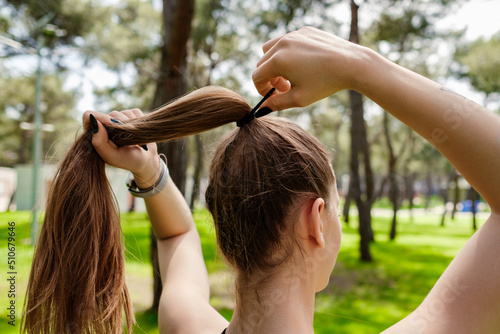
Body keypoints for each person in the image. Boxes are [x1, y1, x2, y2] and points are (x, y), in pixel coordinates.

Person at [86, 27, 500, 333]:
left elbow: (176, 237)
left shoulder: (184, 322)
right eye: (334, 206)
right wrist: (360, 66)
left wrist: (151, 173)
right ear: (315, 221)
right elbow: (174, 236)